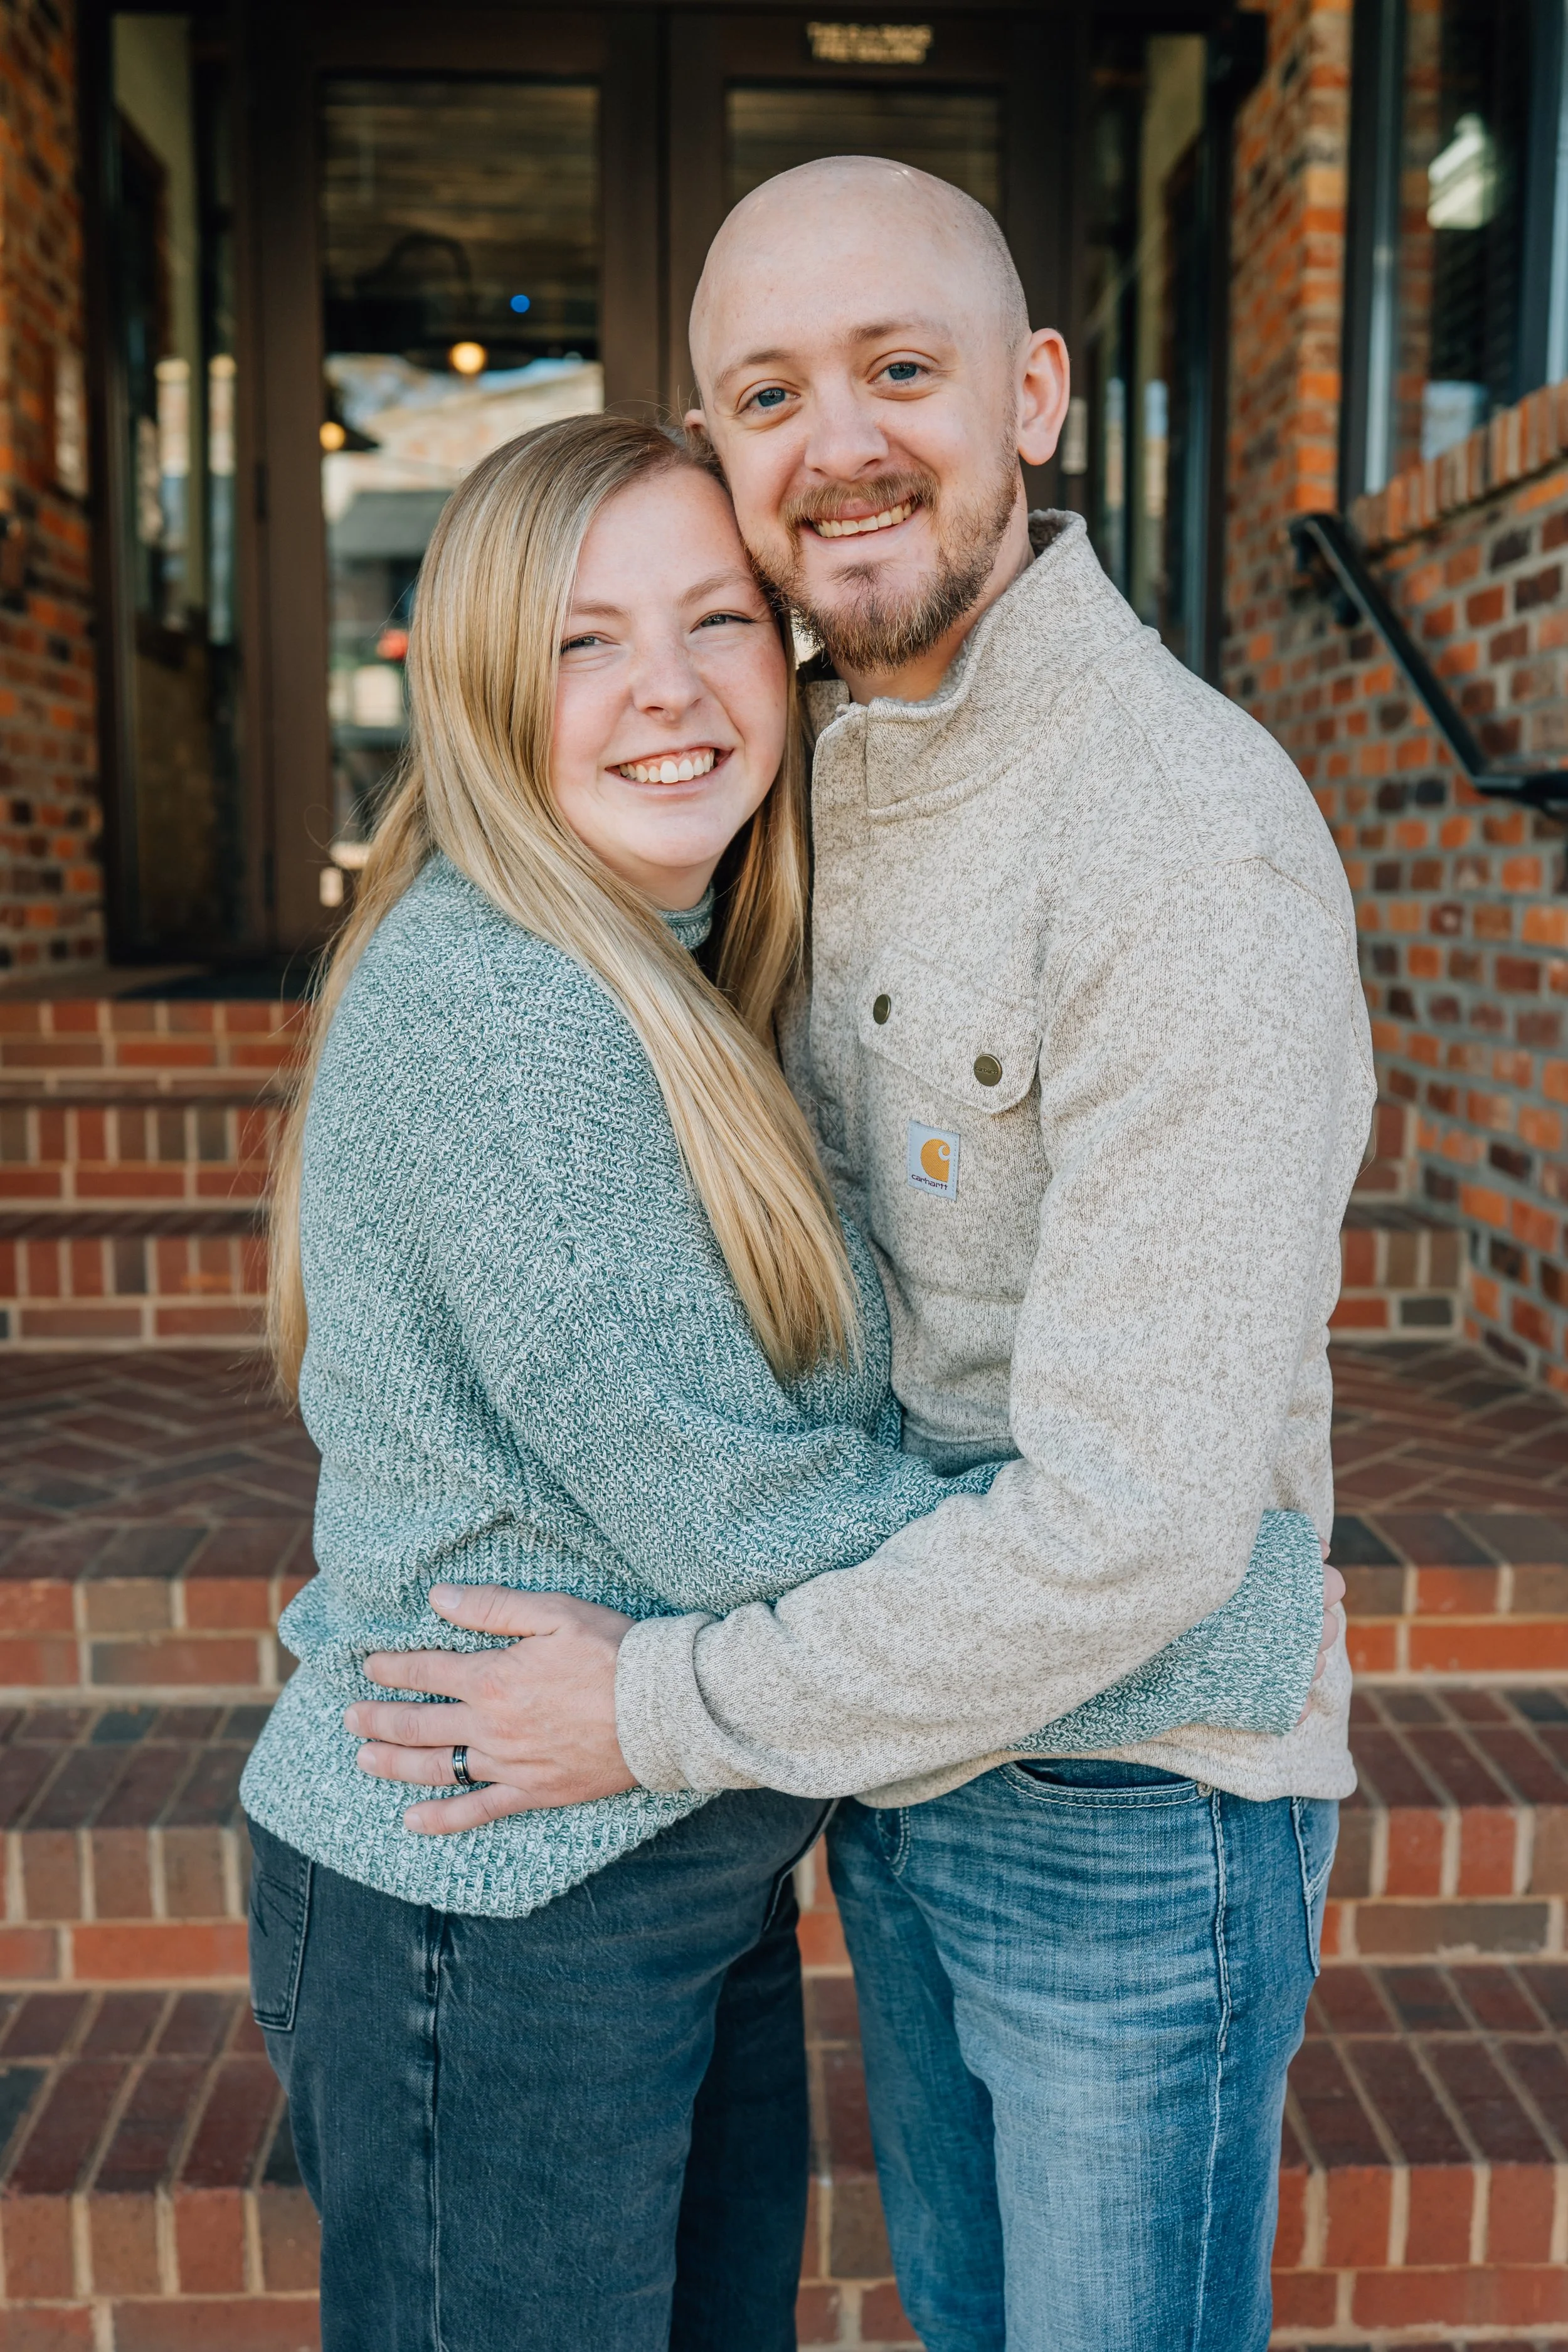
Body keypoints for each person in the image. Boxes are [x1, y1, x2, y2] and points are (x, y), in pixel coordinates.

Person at [353, 162, 1374, 2352]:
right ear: (718, 448)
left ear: (1032, 394)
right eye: (768, 391)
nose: (839, 444)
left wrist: (651, 1708)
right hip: (887, 1788)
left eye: (899, 370)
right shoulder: (777, 781)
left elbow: (1139, 1541)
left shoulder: (1178, 839)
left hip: (1128, 1813)